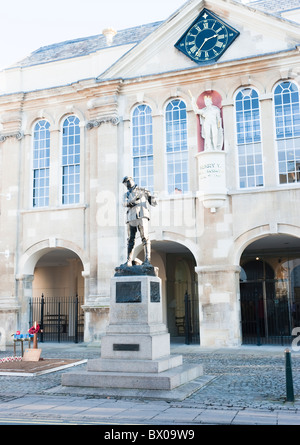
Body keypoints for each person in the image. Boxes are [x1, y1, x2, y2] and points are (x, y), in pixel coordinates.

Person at [122, 176, 157, 267]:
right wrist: (135, 199)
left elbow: (153, 203)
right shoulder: (126, 195)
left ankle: (147, 260)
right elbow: (125, 203)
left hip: (142, 215)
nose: (127, 183)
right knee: (130, 239)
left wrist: (151, 197)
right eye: (125, 182)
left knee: (145, 237)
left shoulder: (143, 190)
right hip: (131, 217)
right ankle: (128, 261)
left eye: (128, 181)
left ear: (132, 180)